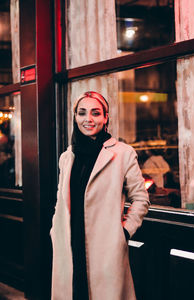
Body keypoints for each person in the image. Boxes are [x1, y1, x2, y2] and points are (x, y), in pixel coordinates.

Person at [50, 91, 150, 300]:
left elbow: (141, 198)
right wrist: (55, 230)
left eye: (95, 113)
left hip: (106, 247)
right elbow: (61, 200)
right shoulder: (67, 157)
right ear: (75, 117)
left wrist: (123, 233)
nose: (88, 119)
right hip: (69, 243)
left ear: (106, 118)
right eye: (82, 113)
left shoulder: (122, 153)